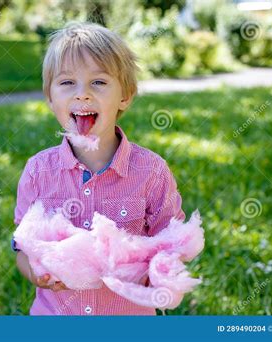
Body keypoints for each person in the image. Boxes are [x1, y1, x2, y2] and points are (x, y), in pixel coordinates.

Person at [12, 22, 185, 315]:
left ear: (125, 96)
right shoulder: (38, 172)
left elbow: (172, 243)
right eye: (67, 83)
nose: (82, 94)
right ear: (50, 98)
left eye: (99, 82)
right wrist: (39, 274)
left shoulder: (151, 172)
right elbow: (22, 248)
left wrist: (157, 274)